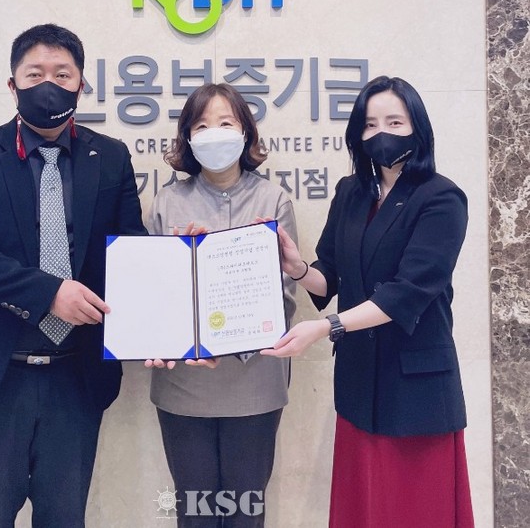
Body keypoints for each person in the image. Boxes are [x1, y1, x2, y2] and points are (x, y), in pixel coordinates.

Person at [0, 23, 145, 528]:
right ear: (13, 85)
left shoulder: (110, 156)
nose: (49, 84)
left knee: (65, 519)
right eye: (35, 74)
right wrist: (49, 294)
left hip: (75, 377)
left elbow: (129, 252)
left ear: (81, 84)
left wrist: (179, 258)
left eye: (62, 74)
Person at [262, 75, 474, 528]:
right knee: (363, 512)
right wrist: (297, 268)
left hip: (416, 390)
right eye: (370, 124)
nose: (382, 133)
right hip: (360, 382)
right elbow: (330, 275)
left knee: (416, 513)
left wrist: (327, 327)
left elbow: (407, 292)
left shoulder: (441, 197)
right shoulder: (351, 192)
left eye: (395, 122)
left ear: (417, 128)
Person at [146, 82, 298, 527]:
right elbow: (154, 292)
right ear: (187, 138)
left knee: (245, 512)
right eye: (201, 125)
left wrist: (232, 340)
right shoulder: (167, 202)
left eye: (226, 123)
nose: (214, 133)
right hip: (184, 390)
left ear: (246, 133)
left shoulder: (273, 200)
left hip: (255, 388)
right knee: (195, 512)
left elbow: (285, 295)